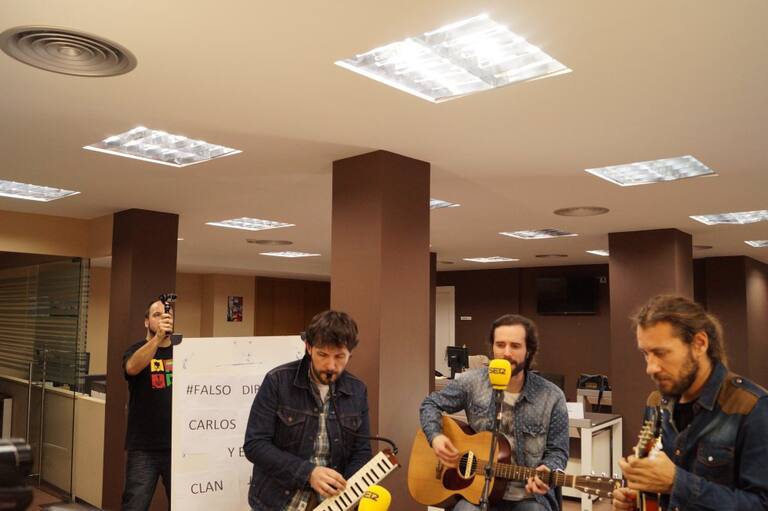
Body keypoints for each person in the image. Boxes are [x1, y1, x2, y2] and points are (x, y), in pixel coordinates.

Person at [612, 295, 768, 511]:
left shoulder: (753, 408)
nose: (651, 367)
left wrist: (677, 483)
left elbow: (761, 504)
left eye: (661, 353)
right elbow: (657, 490)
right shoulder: (656, 404)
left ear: (699, 344)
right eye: (646, 354)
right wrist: (638, 499)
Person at [420, 314, 569, 511]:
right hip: (476, 491)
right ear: (492, 348)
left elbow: (558, 451)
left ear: (529, 351)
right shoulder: (472, 382)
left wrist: (548, 468)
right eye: (500, 345)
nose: (506, 353)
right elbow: (430, 404)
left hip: (529, 497)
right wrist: (436, 437)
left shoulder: (552, 396)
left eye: (515, 346)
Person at [243, 310, 372, 510]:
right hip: (277, 503)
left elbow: (361, 451)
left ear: (350, 354)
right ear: (308, 348)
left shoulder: (357, 390)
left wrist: (345, 493)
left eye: (340, 356)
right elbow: (255, 445)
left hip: (332, 504)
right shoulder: (277, 381)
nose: (331, 366)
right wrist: (308, 473)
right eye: (322, 355)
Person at [121, 299, 175, 511]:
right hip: (144, 447)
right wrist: (158, 339)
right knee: (135, 505)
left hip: (177, 446)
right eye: (156, 315)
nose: (163, 319)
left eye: (167, 315)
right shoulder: (136, 350)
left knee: (182, 504)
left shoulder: (183, 351)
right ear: (146, 321)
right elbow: (132, 368)